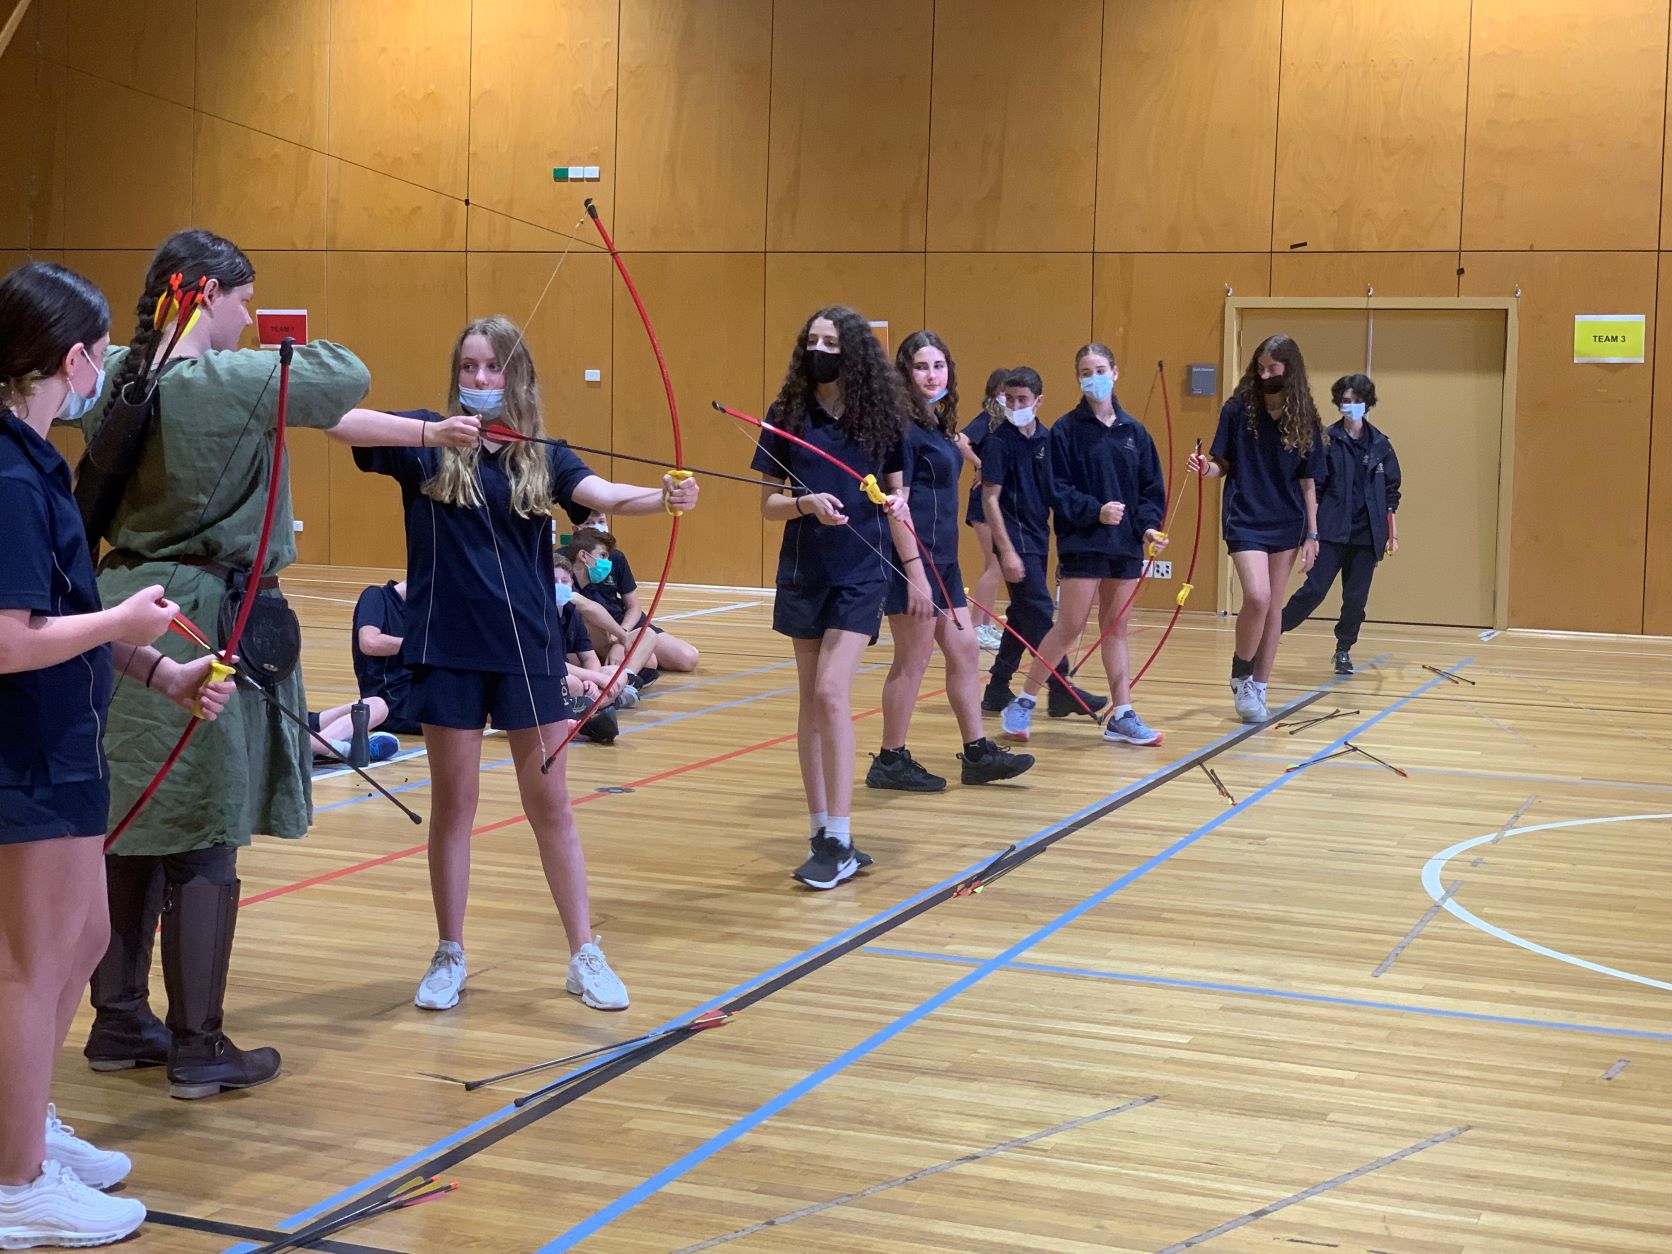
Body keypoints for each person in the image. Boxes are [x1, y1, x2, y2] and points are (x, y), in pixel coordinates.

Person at [77, 230, 451, 1099]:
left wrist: (435, 431)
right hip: (204, 616)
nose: (251, 319)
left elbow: (326, 409)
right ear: (206, 293)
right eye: (246, 301)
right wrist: (284, 336)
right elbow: (340, 372)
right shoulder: (232, 379)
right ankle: (199, 1045)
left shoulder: (116, 380)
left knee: (134, 824)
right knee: (206, 831)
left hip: (127, 607)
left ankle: (119, 1019)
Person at [357, 314, 699, 1012]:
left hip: (529, 651)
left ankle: (584, 952)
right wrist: (430, 433)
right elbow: (340, 424)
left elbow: (605, 497)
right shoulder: (424, 443)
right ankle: (449, 952)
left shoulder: (543, 454)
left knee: (552, 807)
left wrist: (663, 497)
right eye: (469, 367)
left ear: (518, 376)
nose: (480, 380)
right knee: (455, 805)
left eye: (494, 368)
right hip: (447, 651)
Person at [0, 260, 232, 1248]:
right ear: (71, 356)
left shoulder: (35, 457)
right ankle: (14, 1184)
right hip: (25, 756)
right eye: (99, 351)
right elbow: (11, 639)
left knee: (83, 944)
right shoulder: (7, 475)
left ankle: (27, 1126)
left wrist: (156, 670)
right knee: (29, 966)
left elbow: (70, 612)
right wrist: (120, 626)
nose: (105, 368)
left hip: (67, 747)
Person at [752, 305, 908, 890]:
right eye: (812, 339)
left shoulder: (881, 417)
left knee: (831, 691)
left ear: (855, 352)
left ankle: (840, 835)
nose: (820, 349)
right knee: (810, 702)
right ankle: (820, 829)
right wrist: (804, 503)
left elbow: (898, 493)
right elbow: (767, 504)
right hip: (803, 567)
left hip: (862, 568)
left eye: (831, 340)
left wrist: (897, 510)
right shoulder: (785, 414)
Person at [869, 330, 1033, 792]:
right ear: (904, 372)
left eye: (938, 366)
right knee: (912, 661)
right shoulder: (897, 427)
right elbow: (894, 503)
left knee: (963, 651)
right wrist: (916, 573)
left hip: (944, 560)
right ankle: (889, 759)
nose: (931, 374)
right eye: (921, 366)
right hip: (912, 562)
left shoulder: (939, 424)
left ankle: (977, 753)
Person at [1000, 344, 1167, 745]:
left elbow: (1150, 490)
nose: (1092, 377)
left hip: (1124, 546)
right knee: (1070, 625)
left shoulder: (1134, 432)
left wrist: (1148, 529)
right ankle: (1023, 702)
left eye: (1099, 369)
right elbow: (1057, 489)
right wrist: (1095, 511)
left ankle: (1122, 714)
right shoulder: (1065, 430)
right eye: (1084, 371)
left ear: (1115, 372)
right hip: (1084, 542)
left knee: (1116, 629)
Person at [1187, 334, 1326, 722]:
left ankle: (1259, 688)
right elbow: (1221, 465)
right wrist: (1205, 469)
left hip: (1287, 520)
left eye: (1273, 369)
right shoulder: (1237, 410)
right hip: (1245, 516)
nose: (1265, 375)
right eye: (1260, 368)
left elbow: (1308, 482)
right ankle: (1241, 673)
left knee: (1274, 605)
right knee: (1258, 597)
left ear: (1290, 371)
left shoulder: (1305, 418)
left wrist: (1313, 535)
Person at [979, 367, 1105, 720]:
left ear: (1038, 401)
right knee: (1038, 610)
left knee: (1021, 615)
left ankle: (996, 687)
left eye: (1022, 399)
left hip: (1039, 536)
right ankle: (1061, 688)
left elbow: (1056, 493)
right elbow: (990, 499)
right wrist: (1005, 551)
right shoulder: (999, 441)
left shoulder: (1047, 440)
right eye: (1009, 399)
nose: (1015, 405)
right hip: (1014, 540)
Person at [1280, 374, 1401, 674]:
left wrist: (1392, 533)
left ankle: (1344, 648)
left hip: (1367, 535)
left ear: (1367, 404)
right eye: (1346, 402)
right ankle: (1271, 632)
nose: (1351, 407)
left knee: (1355, 600)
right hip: (1331, 531)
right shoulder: (1326, 440)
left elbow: (1391, 492)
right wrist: (1311, 532)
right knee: (1314, 590)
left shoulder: (1381, 446)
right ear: (1339, 404)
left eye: (1357, 401)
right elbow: (1313, 488)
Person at [569, 512, 699, 682]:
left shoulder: (615, 557)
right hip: (593, 631)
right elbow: (589, 608)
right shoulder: (563, 565)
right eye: (589, 523)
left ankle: (626, 673)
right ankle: (623, 673)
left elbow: (633, 606)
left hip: (620, 624)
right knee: (649, 661)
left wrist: (619, 639)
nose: (597, 527)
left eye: (601, 521)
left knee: (686, 657)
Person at [962, 367, 1011, 650]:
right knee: (994, 563)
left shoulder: (1004, 425)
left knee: (994, 564)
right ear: (995, 393)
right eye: (1005, 392)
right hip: (982, 501)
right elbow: (960, 441)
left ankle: (984, 623)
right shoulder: (987, 420)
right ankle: (976, 626)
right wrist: (980, 465)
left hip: (998, 503)